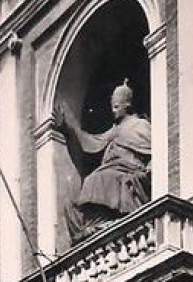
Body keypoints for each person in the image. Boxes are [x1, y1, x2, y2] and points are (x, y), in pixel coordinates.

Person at [53, 81, 152, 244]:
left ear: (126, 105)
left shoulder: (140, 125)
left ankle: (101, 223)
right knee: (76, 197)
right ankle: (95, 225)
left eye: (116, 107)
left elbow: (153, 151)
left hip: (130, 169)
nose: (113, 111)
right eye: (112, 106)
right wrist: (66, 128)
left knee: (99, 179)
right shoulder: (114, 130)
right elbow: (92, 143)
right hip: (113, 170)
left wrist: (148, 168)